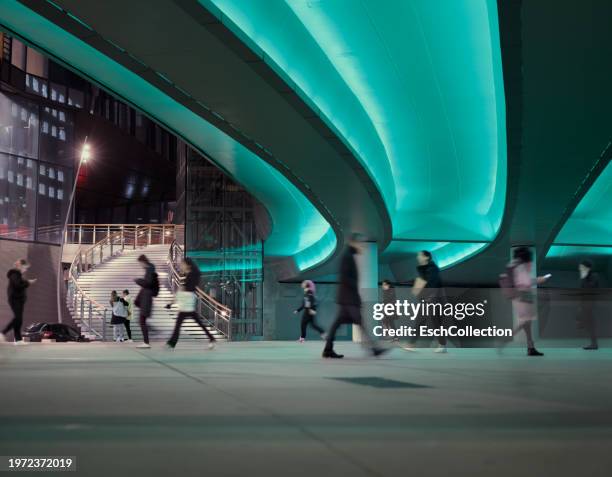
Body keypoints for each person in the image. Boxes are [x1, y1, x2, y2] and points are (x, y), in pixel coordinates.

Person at [322, 233, 388, 359]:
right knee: (360, 322)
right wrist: (356, 295)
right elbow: (347, 278)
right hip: (349, 298)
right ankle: (374, 349)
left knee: (338, 324)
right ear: (353, 242)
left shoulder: (349, 255)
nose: (362, 246)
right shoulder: (347, 256)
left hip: (346, 297)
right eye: (360, 243)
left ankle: (328, 349)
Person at [166, 258, 216, 349]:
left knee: (179, 323)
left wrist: (173, 302)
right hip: (187, 301)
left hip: (187, 302)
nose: (181, 266)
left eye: (182, 264)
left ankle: (172, 343)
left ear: (188, 265)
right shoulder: (191, 274)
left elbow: (187, 288)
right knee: (196, 322)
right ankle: (211, 338)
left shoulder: (191, 275)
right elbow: (187, 288)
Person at [403, 251, 448, 353]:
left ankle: (412, 344)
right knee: (424, 321)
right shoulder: (423, 269)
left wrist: (428, 296)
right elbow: (422, 282)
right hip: (427, 298)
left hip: (434, 299)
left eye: (419, 255)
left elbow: (433, 284)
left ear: (426, 257)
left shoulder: (432, 269)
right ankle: (413, 344)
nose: (417, 257)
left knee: (433, 322)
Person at [508, 246, 548, 356]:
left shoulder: (514, 265)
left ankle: (531, 348)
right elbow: (525, 282)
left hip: (520, 296)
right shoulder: (521, 266)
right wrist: (539, 280)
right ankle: (505, 339)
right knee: (526, 321)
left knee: (527, 324)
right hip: (524, 295)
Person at [1, 259, 36, 345]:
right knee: (18, 318)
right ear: (20, 266)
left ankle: (18, 339)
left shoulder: (18, 275)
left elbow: (19, 283)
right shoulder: (14, 274)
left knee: (19, 320)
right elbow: (18, 285)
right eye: (25, 267)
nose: (26, 270)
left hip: (18, 300)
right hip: (15, 299)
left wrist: (26, 282)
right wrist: (28, 282)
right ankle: (3, 333)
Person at [134, 255, 156, 349]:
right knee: (142, 320)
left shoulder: (150, 269)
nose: (140, 265)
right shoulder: (149, 269)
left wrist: (138, 280)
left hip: (147, 298)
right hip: (145, 298)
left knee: (142, 320)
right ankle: (146, 341)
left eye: (140, 263)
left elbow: (148, 283)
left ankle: (146, 342)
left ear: (143, 261)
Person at [578, 260, 599, 350]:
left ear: (587, 268)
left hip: (590, 303)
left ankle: (594, 344)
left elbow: (589, 288)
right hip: (585, 303)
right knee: (588, 323)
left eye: (582, 267)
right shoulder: (585, 277)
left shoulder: (594, 276)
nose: (580, 269)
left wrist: (583, 277)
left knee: (590, 323)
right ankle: (593, 343)